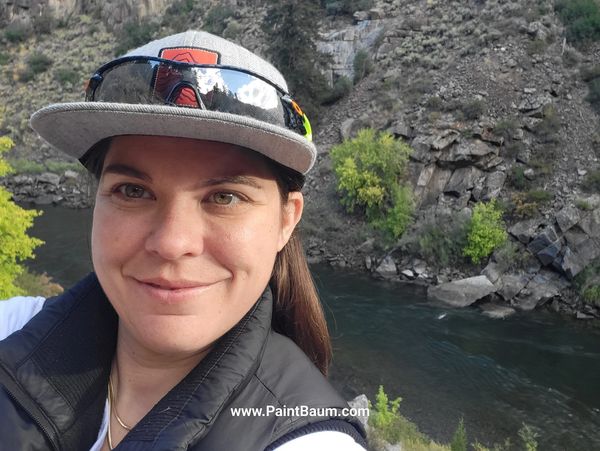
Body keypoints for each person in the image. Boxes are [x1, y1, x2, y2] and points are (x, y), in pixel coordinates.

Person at [0, 31, 368, 450]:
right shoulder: (13, 330)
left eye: (225, 197)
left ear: (287, 220)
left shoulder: (310, 441)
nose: (172, 243)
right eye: (133, 191)